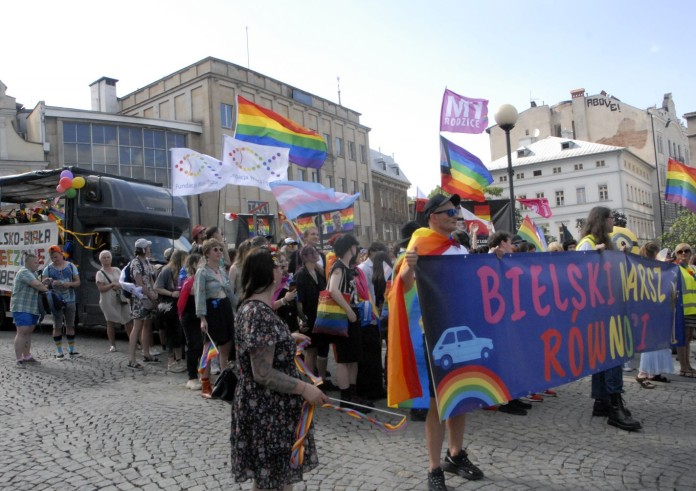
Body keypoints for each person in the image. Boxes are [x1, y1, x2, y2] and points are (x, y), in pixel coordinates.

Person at [390, 194, 484, 491]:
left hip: (461, 330)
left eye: (456, 210)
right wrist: (408, 268)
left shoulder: (457, 246)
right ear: (432, 216)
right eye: (449, 211)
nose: (456, 215)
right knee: (436, 404)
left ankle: (455, 455)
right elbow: (401, 286)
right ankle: (434, 468)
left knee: (459, 397)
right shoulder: (421, 243)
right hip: (435, 336)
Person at [231, 247, 328, 490]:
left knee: (272, 481)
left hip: (272, 410)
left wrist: (288, 338)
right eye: (279, 266)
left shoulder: (255, 308)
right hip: (268, 412)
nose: (283, 270)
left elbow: (266, 347)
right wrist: (305, 388)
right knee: (273, 482)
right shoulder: (257, 312)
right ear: (270, 274)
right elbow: (262, 373)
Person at [577, 206, 641, 431]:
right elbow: (579, 274)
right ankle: (614, 404)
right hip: (598, 310)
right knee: (613, 353)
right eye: (611, 217)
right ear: (602, 220)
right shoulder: (587, 243)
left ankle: (601, 401)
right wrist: (598, 256)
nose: (614, 221)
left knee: (604, 355)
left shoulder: (603, 243)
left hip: (607, 308)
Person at [328, 233, 372, 411]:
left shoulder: (349, 267)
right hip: (343, 316)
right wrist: (348, 310)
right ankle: (346, 397)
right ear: (349, 248)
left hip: (352, 314)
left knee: (353, 358)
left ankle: (353, 394)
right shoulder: (338, 266)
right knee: (344, 359)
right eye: (355, 247)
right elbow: (333, 290)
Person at [195, 238, 235, 398]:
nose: (219, 252)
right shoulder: (202, 272)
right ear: (207, 253)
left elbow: (229, 293)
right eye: (215, 250)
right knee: (208, 349)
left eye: (220, 249)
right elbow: (199, 296)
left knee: (225, 347)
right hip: (211, 309)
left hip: (225, 308)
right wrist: (202, 318)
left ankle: (224, 382)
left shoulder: (222, 270)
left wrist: (236, 309)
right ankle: (205, 383)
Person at [295, 244, 338, 392]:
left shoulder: (319, 272)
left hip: (322, 315)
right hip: (310, 317)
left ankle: (322, 380)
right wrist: (302, 319)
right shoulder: (300, 275)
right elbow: (298, 300)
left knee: (323, 349)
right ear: (305, 257)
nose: (316, 254)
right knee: (311, 350)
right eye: (312, 252)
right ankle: (312, 382)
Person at [635, 242, 675, 387]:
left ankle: (654, 372)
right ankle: (643, 373)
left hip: (657, 308)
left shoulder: (650, 267)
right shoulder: (646, 268)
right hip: (650, 309)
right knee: (650, 342)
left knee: (658, 341)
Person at [12, 252, 49, 367]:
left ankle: (27, 356)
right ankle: (19, 360)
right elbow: (38, 286)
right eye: (35, 262)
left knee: (28, 333)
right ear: (27, 262)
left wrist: (44, 283)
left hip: (32, 307)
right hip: (22, 307)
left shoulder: (32, 273)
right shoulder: (24, 272)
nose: (37, 265)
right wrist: (46, 288)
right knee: (22, 332)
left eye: (38, 262)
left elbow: (38, 285)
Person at [127, 238, 159, 369]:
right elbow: (139, 284)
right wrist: (151, 294)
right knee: (137, 327)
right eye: (147, 248)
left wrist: (154, 292)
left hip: (148, 298)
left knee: (147, 325)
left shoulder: (146, 262)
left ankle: (146, 353)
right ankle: (132, 359)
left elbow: (150, 279)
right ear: (143, 249)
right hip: (140, 299)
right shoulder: (135, 263)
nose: (149, 249)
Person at [43, 244, 80, 358]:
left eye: (56, 256)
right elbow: (43, 284)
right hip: (56, 301)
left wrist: (66, 284)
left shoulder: (70, 266)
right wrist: (48, 282)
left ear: (61, 253)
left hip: (70, 299)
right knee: (57, 325)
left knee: (70, 324)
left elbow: (77, 282)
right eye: (52, 257)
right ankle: (59, 351)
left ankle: (71, 350)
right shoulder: (48, 269)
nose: (54, 259)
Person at [155, 249, 187, 373]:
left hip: (180, 305)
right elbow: (157, 287)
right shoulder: (166, 271)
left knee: (179, 333)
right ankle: (172, 360)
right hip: (170, 305)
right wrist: (171, 293)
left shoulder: (184, 271)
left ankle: (179, 359)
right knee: (172, 333)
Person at [96, 250, 132, 353]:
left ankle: (134, 342)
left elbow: (123, 282)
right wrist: (112, 285)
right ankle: (113, 345)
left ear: (111, 258)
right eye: (104, 257)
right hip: (108, 300)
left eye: (108, 257)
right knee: (110, 322)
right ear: (101, 260)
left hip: (120, 298)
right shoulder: (100, 273)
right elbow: (101, 289)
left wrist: (119, 285)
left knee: (128, 320)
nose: (106, 259)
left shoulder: (117, 270)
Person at [177, 253, 203, 390]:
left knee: (201, 346)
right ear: (194, 265)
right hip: (189, 316)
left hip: (198, 316)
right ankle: (192, 377)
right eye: (200, 262)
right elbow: (182, 304)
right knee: (194, 345)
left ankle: (200, 373)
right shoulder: (190, 281)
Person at [673, 242, 696, 378]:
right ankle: (683, 367)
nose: (683, 254)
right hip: (682, 309)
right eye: (680, 251)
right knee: (682, 339)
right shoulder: (675, 268)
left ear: (690, 253)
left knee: (688, 339)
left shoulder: (691, 269)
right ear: (676, 254)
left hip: (692, 308)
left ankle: (688, 365)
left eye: (686, 251)